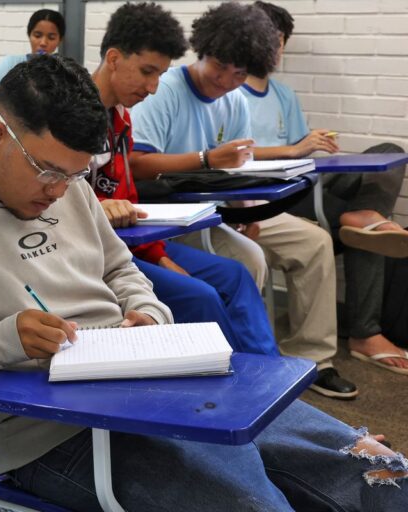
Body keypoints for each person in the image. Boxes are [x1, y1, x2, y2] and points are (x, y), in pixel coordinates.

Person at [0, 52, 408, 512]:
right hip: (57, 436)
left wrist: (149, 314)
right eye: (48, 172)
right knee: (256, 506)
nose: (60, 192)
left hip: (155, 384)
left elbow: (121, 268)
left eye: (77, 175)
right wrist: (3, 338)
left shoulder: (67, 186)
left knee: (373, 470)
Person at [128, 2, 357, 399]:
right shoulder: (164, 90)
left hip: (223, 208)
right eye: (220, 66)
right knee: (247, 259)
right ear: (202, 49)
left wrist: (248, 210)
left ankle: (312, 361)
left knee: (314, 242)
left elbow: (238, 170)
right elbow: (138, 164)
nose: (226, 79)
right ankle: (238, 366)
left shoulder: (234, 100)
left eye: (239, 74)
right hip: (175, 215)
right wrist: (206, 160)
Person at [89, 3, 277, 355]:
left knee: (235, 275)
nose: (153, 87)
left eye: (159, 74)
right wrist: (103, 207)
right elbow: (60, 199)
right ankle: (234, 388)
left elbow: (128, 203)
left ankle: (268, 376)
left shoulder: (121, 119)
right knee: (200, 295)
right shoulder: (73, 113)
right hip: (95, 253)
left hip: (129, 243)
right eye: (147, 72)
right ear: (113, 59)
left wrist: (159, 255)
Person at [244, 1, 408, 374]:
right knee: (364, 232)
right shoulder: (229, 92)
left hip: (305, 183)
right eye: (272, 39)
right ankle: (366, 333)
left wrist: (314, 143)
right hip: (271, 193)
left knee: (389, 153)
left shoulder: (283, 94)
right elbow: (234, 161)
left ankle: (364, 217)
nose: (278, 49)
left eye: (283, 40)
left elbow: (301, 154)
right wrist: (293, 149)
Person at [0, 9, 64, 104]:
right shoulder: (11, 62)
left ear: (60, 40)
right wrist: (10, 89)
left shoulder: (62, 71)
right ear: (29, 35)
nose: (43, 43)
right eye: (37, 36)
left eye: (51, 38)